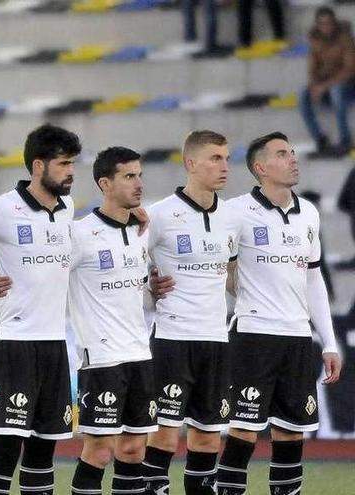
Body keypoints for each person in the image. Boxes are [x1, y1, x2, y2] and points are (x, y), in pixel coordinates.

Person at [216, 132, 342, 495]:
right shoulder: (236, 211)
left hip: (298, 338)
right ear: (261, 167)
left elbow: (313, 279)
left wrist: (329, 343)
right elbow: (216, 265)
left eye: (293, 152)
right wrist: (244, 289)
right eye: (283, 154)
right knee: (244, 429)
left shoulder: (310, 213)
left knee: (291, 431)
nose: (293, 158)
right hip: (253, 336)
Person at [0, 124, 81, 495]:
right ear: (38, 166)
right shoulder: (1, 209)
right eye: (64, 163)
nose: (71, 171)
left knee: (44, 449)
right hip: (13, 344)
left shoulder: (67, 208)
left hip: (54, 346)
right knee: (6, 449)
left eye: (73, 164)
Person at [141, 131, 237, 495]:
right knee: (164, 438)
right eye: (215, 158)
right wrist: (148, 288)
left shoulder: (231, 217)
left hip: (215, 340)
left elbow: (230, 274)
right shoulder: (160, 215)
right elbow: (129, 265)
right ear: (190, 163)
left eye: (226, 158)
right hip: (172, 340)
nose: (224, 166)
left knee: (208, 442)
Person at [68, 147, 157, 495]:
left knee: (134, 450)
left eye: (140, 175)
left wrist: (155, 286)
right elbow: (47, 275)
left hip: (139, 353)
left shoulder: (142, 231)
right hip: (102, 357)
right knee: (100, 450)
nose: (138, 183)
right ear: (105, 183)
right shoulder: (79, 234)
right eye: (129, 176)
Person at [300, 6, 355, 157]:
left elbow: (350, 70)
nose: (326, 27)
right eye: (322, 24)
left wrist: (323, 86)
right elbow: (313, 69)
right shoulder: (315, 40)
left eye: (329, 23)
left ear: (335, 23)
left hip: (348, 85)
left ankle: (345, 138)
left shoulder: (345, 38)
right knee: (303, 95)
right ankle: (320, 138)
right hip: (325, 85)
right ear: (317, 25)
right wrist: (314, 86)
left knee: (336, 90)